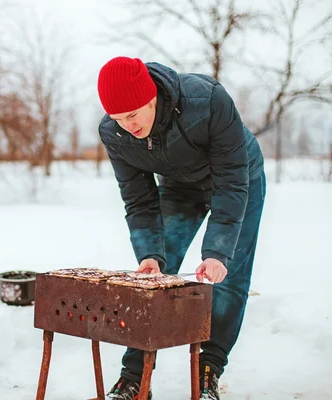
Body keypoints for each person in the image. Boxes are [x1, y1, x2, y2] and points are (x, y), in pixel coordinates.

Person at [96, 57, 266, 400]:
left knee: (227, 277)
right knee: (153, 278)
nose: (128, 125)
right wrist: (150, 254)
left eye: (133, 114)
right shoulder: (114, 133)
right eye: (118, 118)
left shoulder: (207, 101)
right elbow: (139, 202)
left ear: (152, 97)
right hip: (178, 187)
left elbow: (232, 184)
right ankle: (133, 377)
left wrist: (217, 251)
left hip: (238, 180)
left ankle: (209, 371)